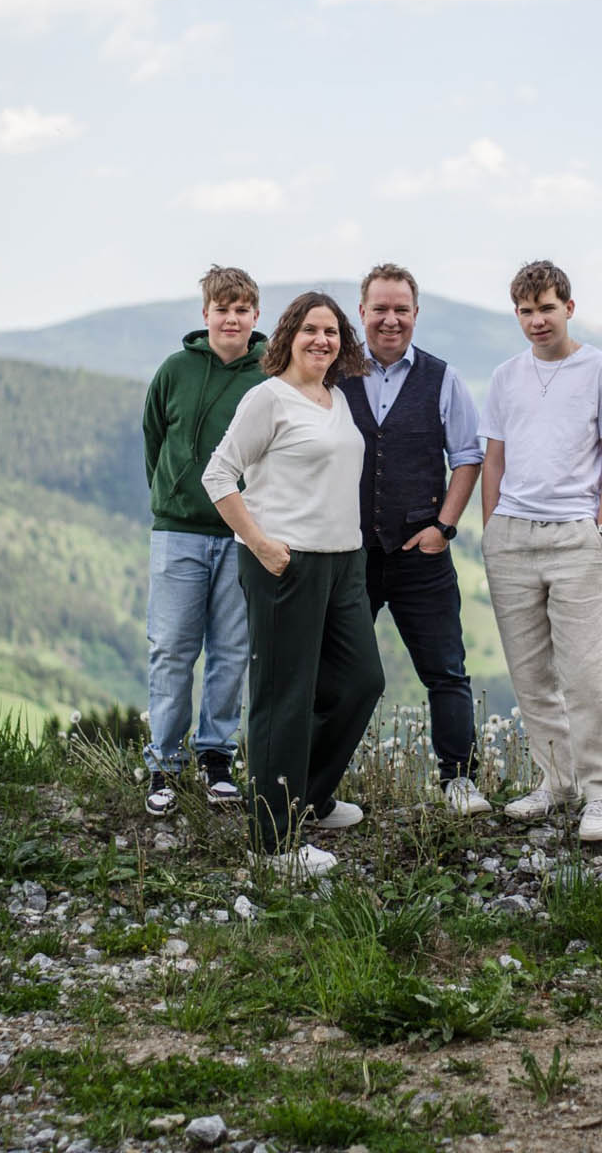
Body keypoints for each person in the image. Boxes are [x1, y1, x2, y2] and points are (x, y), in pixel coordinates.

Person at [202, 291, 384, 877]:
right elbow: (218, 473)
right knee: (284, 699)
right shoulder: (268, 399)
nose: (322, 340)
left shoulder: (335, 399)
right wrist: (259, 543)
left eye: (331, 332)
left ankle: (309, 796)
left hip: (343, 563)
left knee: (360, 682)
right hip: (284, 563)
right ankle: (273, 843)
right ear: (288, 336)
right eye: (310, 330)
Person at [480, 259, 602, 842]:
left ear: (568, 308)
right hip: (512, 537)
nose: (536, 320)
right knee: (530, 675)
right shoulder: (504, 376)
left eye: (546, 308)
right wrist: (493, 527)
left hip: (577, 536)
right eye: (525, 310)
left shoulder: (601, 369)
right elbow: (493, 456)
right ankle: (557, 782)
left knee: (587, 673)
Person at [340, 263, 491, 815]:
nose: (390, 319)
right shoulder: (333, 373)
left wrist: (443, 529)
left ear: (415, 314)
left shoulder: (443, 378)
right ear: (362, 313)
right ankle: (316, 784)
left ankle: (459, 781)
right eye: (379, 308)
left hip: (419, 553)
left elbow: (468, 457)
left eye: (401, 309)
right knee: (340, 674)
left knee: (445, 670)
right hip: (348, 554)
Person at [141, 264, 267, 817]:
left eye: (242, 309)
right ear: (206, 315)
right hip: (179, 533)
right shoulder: (174, 370)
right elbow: (154, 441)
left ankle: (217, 759)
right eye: (223, 308)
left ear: (255, 316)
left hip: (242, 535)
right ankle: (163, 764)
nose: (232, 318)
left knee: (231, 651)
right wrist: (173, 497)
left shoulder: (270, 377)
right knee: (171, 648)